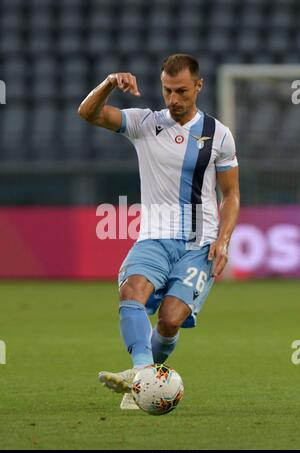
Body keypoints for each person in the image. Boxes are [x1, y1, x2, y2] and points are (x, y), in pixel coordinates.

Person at [78, 54, 240, 410]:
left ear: (198, 86)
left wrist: (224, 239)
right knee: (131, 290)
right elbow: (88, 113)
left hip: (200, 246)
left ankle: (144, 375)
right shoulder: (145, 123)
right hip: (153, 237)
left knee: (169, 321)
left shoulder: (219, 135)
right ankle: (142, 376)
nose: (174, 99)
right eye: (167, 91)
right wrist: (108, 83)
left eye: (181, 91)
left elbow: (231, 194)